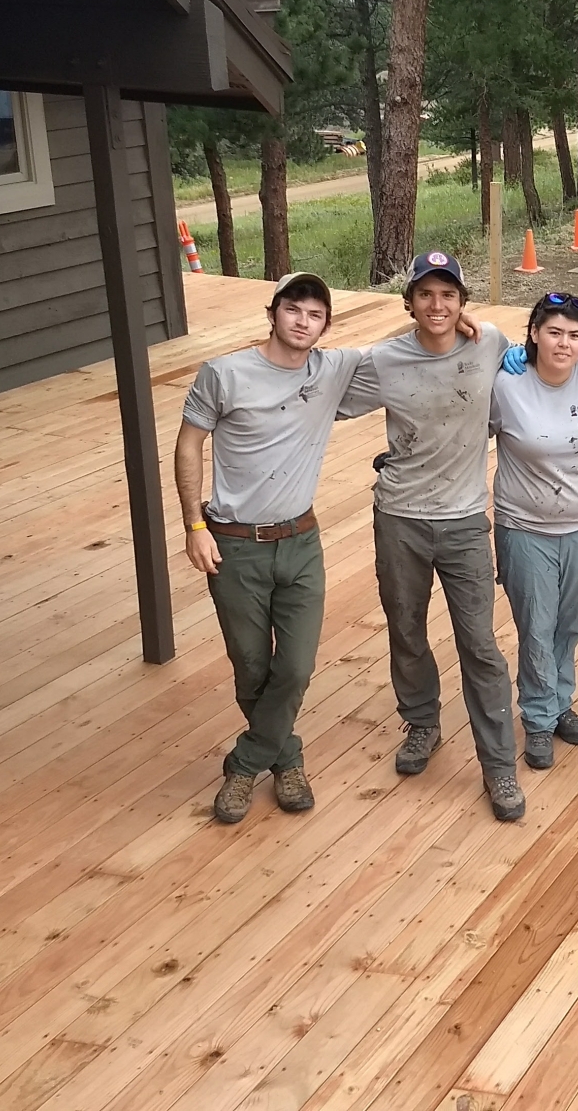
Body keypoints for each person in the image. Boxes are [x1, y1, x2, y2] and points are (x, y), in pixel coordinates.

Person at [337, 251, 526, 822]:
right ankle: (421, 722)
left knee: (479, 643)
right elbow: (328, 399)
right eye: (426, 295)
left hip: (466, 518)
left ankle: (498, 764)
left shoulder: (488, 342)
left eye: (448, 295)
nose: (437, 305)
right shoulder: (385, 359)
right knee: (406, 626)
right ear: (410, 302)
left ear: (463, 302)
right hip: (399, 516)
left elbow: (539, 356)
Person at [177, 272, 362, 824]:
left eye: (315, 315)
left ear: (325, 325)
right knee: (251, 664)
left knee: (298, 665)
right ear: (272, 312)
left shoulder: (330, 370)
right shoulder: (224, 373)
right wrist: (193, 526)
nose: (303, 322)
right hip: (234, 545)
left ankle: (244, 764)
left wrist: (468, 325)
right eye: (294, 310)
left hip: (301, 540)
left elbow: (411, 344)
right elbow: (189, 445)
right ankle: (285, 760)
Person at [489, 293, 578, 770]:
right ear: (534, 333)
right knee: (536, 626)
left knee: (569, 622)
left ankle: (560, 703)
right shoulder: (507, 383)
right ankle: (538, 720)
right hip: (524, 525)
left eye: (575, 334)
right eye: (553, 332)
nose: (564, 343)